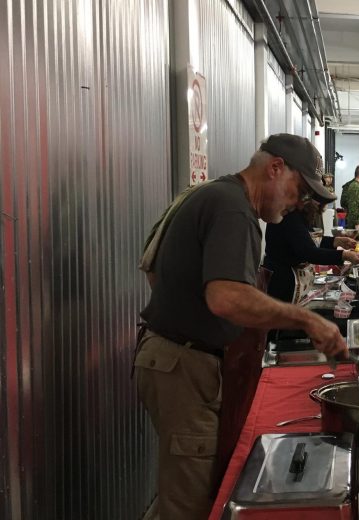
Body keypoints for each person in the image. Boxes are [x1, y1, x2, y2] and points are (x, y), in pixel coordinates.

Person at [135, 134, 348, 520]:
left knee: (184, 483)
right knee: (193, 500)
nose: (299, 202)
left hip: (178, 360)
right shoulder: (233, 209)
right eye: (299, 189)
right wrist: (305, 318)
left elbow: (156, 273)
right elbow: (227, 297)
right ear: (275, 169)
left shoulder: (218, 196)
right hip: (183, 365)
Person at [263, 202, 359, 304]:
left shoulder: (299, 213)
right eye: (318, 204)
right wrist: (344, 255)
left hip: (289, 277)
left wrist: (336, 241)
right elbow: (309, 252)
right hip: (282, 280)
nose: (318, 209)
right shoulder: (291, 216)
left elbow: (310, 239)